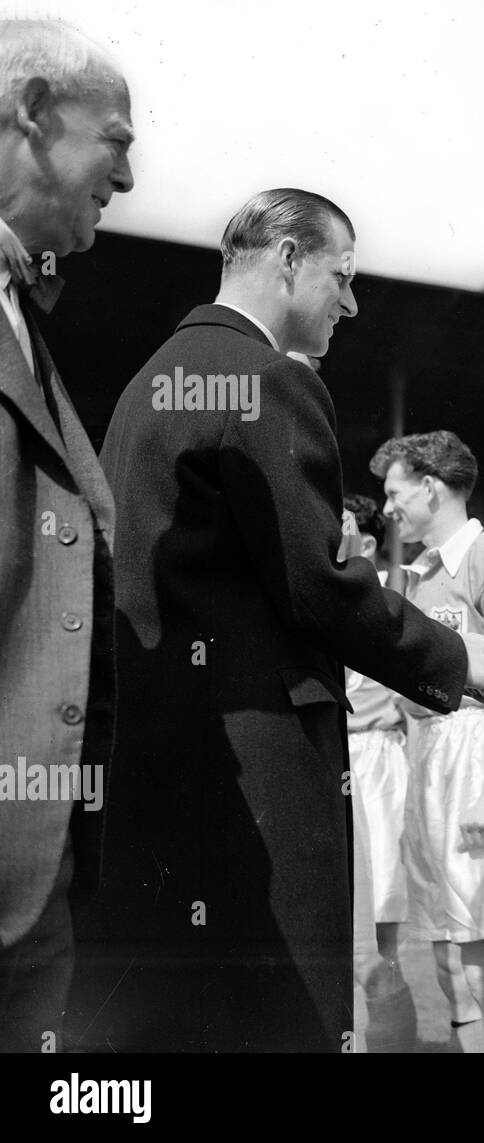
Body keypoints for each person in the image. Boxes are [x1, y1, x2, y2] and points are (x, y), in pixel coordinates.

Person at [68, 188, 484, 1053]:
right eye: (342, 277)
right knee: (281, 1019)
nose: (351, 303)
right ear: (288, 258)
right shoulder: (271, 379)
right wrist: (456, 659)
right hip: (261, 761)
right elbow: (318, 584)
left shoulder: (150, 379)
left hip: (165, 762)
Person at [0, 19, 134, 1053]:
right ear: (34, 113)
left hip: (35, 870)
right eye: (115, 140)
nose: (126, 178)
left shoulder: (24, 311)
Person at [371, 430, 484, 1053]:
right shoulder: (413, 578)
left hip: (476, 754)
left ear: (431, 485)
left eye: (394, 493)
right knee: (449, 966)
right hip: (430, 759)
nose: (387, 508)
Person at [339, 495, 419, 1052]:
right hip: (332, 759)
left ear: (365, 543)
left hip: (379, 759)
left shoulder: (394, 599)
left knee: (381, 933)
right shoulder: (315, 600)